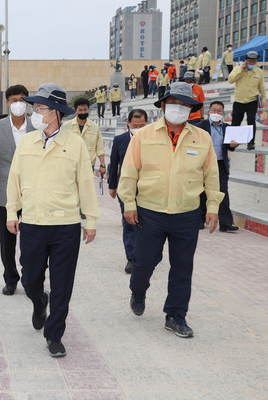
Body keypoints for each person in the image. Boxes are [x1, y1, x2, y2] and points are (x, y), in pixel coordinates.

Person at [117, 82, 223, 339]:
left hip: (187, 213)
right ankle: (138, 291)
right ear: (163, 106)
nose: (178, 108)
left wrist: (212, 207)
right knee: (144, 262)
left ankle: (176, 315)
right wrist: (129, 203)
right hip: (149, 212)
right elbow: (129, 172)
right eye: (174, 103)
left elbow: (211, 175)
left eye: (184, 105)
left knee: (182, 267)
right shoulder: (144, 135)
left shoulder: (202, 138)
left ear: (191, 109)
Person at [5, 83, 98, 357]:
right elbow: (15, 180)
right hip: (33, 223)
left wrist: (90, 220)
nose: (35, 112)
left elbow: (85, 184)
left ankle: (54, 334)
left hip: (65, 226)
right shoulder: (26, 142)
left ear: (56, 112)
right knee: (30, 279)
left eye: (41, 108)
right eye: (35, 107)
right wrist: (12, 211)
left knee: (62, 283)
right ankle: (38, 301)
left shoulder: (75, 144)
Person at [0, 84, 33, 296]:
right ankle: (10, 278)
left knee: (31, 240)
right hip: (3, 192)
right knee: (6, 241)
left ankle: (30, 277)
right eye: (13, 100)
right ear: (7, 103)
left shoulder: (36, 127)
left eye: (22, 100)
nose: (18, 104)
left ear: (27, 102)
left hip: (31, 192)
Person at [108, 109, 148, 274]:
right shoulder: (120, 140)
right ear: (128, 124)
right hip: (126, 189)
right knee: (129, 223)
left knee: (146, 224)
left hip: (147, 189)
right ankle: (131, 258)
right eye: (135, 125)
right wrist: (112, 186)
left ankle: (145, 255)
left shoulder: (152, 139)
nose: (138, 128)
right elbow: (114, 163)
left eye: (142, 125)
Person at [195, 101, 240, 232]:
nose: (217, 113)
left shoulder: (227, 128)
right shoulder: (200, 127)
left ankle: (226, 223)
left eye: (220, 111)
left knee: (223, 193)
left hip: (220, 164)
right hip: (203, 164)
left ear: (223, 113)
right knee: (202, 193)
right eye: (214, 110)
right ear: (209, 112)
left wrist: (233, 145)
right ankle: (200, 220)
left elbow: (230, 147)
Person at [228, 50, 266, 150]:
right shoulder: (237, 69)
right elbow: (230, 80)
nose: (252, 63)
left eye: (254, 61)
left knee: (251, 120)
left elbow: (261, 87)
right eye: (250, 61)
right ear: (246, 61)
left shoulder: (259, 72)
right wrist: (241, 69)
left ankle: (250, 142)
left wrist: (264, 99)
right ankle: (233, 143)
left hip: (252, 100)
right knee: (235, 122)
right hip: (239, 100)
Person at [66, 97, 106, 176]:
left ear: (88, 109)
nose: (83, 112)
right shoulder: (67, 126)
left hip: (88, 166)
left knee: (87, 188)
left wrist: (102, 165)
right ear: (75, 110)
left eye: (85, 109)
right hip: (70, 165)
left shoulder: (95, 127)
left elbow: (100, 148)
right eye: (80, 110)